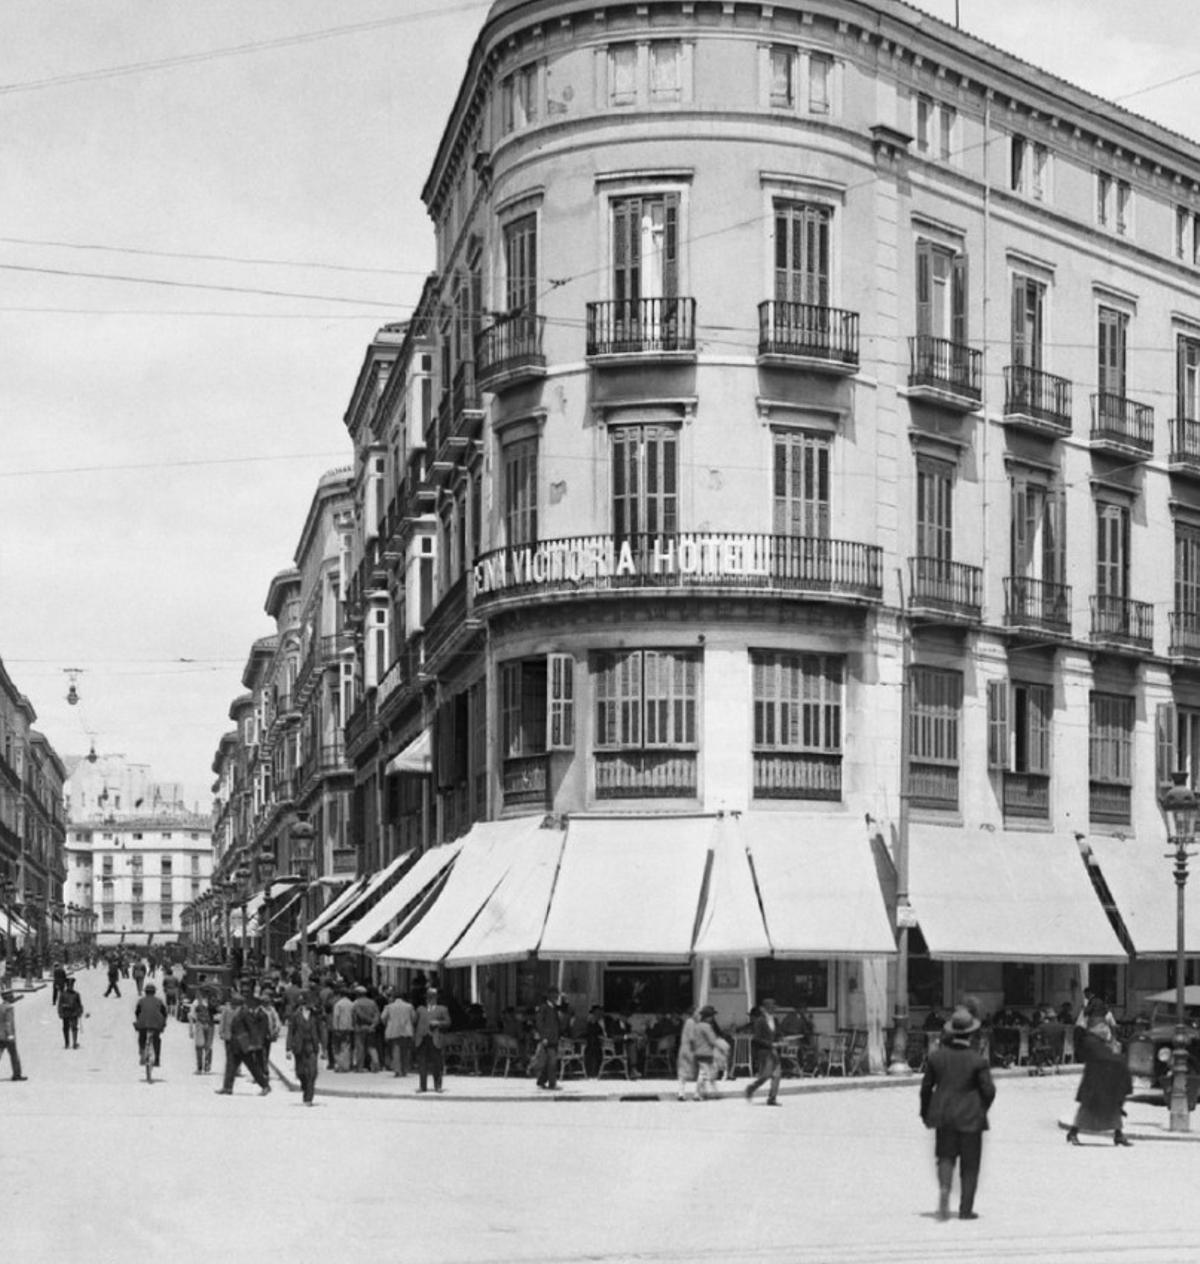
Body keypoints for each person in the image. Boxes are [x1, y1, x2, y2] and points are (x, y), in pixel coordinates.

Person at [920, 1005, 996, 1222]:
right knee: (970, 1164)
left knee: (945, 1156)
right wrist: (982, 1108)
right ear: (971, 1034)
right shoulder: (977, 1060)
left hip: (944, 1115)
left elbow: (926, 1089)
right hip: (971, 1117)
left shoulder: (936, 1058)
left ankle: (944, 1189)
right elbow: (989, 1090)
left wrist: (926, 1114)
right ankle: (965, 1209)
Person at [1066, 1019, 1133, 1147]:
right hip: (1096, 1081)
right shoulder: (1092, 1042)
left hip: (1101, 1080)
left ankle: (1118, 1134)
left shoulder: (1095, 1042)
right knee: (1089, 1109)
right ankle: (1073, 1132)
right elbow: (1103, 1057)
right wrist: (1119, 1060)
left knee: (1111, 1108)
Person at [217, 992, 271, 1095]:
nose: (231, 1004)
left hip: (244, 1045)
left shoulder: (245, 1013)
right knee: (230, 1066)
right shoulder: (238, 1011)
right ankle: (227, 1087)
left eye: (233, 1002)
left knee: (252, 1067)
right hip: (235, 1044)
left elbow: (252, 1028)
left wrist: (255, 1044)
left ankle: (265, 1086)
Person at [287, 986, 326, 1106]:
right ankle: (305, 1085)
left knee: (312, 1072)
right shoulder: (295, 1016)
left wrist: (324, 1048)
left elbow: (321, 1031)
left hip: (312, 1046)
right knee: (300, 1072)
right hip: (298, 1046)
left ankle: (309, 1097)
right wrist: (288, 1049)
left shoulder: (316, 1016)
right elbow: (290, 1032)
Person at [744, 996, 783, 1106]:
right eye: (771, 1008)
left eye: (774, 1008)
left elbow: (778, 1033)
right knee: (765, 1075)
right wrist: (770, 1044)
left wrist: (781, 1039)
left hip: (774, 1051)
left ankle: (772, 1098)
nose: (773, 1010)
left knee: (777, 1075)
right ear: (765, 1009)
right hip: (765, 1052)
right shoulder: (760, 1021)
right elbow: (756, 1038)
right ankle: (751, 1088)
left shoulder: (775, 1020)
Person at [415, 986, 451, 1093]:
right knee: (422, 1064)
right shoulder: (420, 1009)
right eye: (428, 997)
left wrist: (438, 1023)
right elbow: (414, 1022)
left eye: (432, 997)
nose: (430, 999)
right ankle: (422, 1086)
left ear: (436, 998)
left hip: (435, 1038)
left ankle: (438, 1086)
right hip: (422, 1038)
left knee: (437, 1064)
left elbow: (448, 1022)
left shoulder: (442, 1009)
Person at [534, 986, 563, 1091]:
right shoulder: (544, 1008)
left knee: (549, 1062)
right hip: (548, 1039)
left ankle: (541, 1081)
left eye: (557, 995)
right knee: (552, 1062)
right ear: (549, 995)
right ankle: (552, 1084)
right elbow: (539, 1023)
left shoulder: (554, 1008)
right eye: (555, 994)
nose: (556, 997)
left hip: (554, 1039)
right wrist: (544, 1037)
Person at [134, 982, 168, 1069]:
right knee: (157, 1040)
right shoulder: (159, 1001)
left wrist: (139, 1021)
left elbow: (137, 1013)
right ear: (154, 992)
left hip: (143, 1024)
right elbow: (164, 1014)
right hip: (156, 1025)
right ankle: (156, 1060)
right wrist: (163, 1024)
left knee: (142, 1037)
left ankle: (142, 1052)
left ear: (145, 992)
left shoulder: (141, 1001)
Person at [382, 989, 415, 1077]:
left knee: (395, 1051)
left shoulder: (389, 1007)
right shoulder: (409, 1006)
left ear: (393, 997)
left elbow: (383, 1017)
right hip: (406, 1030)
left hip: (393, 1030)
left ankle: (397, 1070)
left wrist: (388, 1024)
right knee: (405, 1051)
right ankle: (404, 1070)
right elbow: (414, 1018)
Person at [350, 985, 381, 1072]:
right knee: (372, 1047)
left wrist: (354, 1026)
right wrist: (373, 1025)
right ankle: (376, 1065)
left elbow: (355, 1016)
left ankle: (359, 1067)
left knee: (360, 1048)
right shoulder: (372, 1002)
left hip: (360, 1027)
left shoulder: (356, 1003)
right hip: (371, 1028)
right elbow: (377, 1015)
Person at [0, 987, 27, 1080]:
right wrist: (10, 1035)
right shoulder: (9, 1008)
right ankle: (17, 1075)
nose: (12, 997)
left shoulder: (1, 1006)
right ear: (8, 997)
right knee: (14, 1055)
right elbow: (8, 1022)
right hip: (7, 1036)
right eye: (11, 996)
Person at [188, 988, 215, 1074]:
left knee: (199, 1047)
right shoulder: (211, 1002)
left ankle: (199, 1068)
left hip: (199, 1024)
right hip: (210, 1025)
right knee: (208, 1046)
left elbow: (191, 1016)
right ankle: (207, 1067)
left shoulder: (196, 1002)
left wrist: (191, 1029)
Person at [676, 1007, 698, 1100]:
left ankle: (681, 1093)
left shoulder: (687, 1022)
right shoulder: (691, 1022)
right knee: (697, 1072)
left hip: (683, 1048)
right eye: (697, 1012)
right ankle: (696, 1094)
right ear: (693, 1013)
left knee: (682, 1072)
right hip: (689, 1049)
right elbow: (692, 1038)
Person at [58, 976, 83, 1050]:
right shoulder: (62, 994)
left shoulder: (76, 994)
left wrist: (80, 1011)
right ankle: (66, 1043)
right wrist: (60, 1013)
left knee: (74, 1028)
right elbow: (60, 1004)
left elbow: (79, 1004)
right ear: (67, 986)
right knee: (66, 1028)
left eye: (72, 985)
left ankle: (74, 1043)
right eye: (69, 985)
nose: (70, 987)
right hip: (66, 1014)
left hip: (74, 1013)